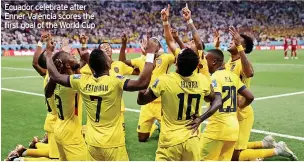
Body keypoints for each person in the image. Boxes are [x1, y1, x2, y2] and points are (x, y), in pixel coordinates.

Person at [45, 37, 158, 161]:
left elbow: (56, 76)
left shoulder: (81, 81)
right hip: (112, 143)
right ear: (108, 64)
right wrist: (150, 54)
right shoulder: (115, 81)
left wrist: (49, 54)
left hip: (92, 142)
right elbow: (142, 83)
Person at [224, 27, 297, 161]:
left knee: (235, 156)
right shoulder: (230, 61)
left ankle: (276, 150)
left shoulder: (242, 62)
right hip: (231, 111)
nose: (230, 42)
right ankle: (264, 144)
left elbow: (250, 72)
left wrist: (239, 47)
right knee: (228, 146)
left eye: (234, 41)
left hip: (242, 112)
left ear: (241, 46)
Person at [137, 46, 221, 160]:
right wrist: (201, 118)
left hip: (170, 141)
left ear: (176, 63)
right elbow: (216, 100)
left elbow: (141, 100)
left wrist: (145, 76)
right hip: (192, 141)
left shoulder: (165, 80)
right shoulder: (202, 79)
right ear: (196, 66)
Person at [120, 31, 177, 142]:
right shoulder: (141, 60)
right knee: (142, 138)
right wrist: (124, 44)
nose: (152, 44)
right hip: (146, 102)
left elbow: (178, 56)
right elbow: (122, 61)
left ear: (159, 47)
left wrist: (173, 39)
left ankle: (160, 125)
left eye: (155, 43)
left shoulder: (166, 58)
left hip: (162, 102)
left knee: (169, 137)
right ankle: (155, 126)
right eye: (150, 43)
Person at [198, 48, 254, 160]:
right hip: (233, 129)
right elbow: (250, 96)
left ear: (213, 62)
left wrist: (200, 119)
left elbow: (217, 102)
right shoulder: (233, 76)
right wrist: (241, 105)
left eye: (205, 59)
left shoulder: (213, 78)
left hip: (217, 129)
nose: (203, 61)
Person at [79, 33, 139, 135]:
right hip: (99, 107)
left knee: (119, 136)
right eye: (103, 47)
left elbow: (136, 71)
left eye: (108, 47)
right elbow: (80, 69)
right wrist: (83, 46)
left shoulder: (119, 65)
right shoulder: (93, 66)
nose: (106, 48)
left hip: (117, 108)